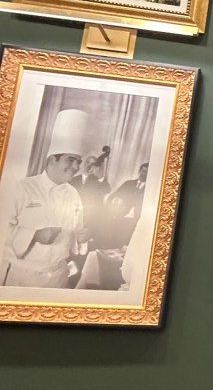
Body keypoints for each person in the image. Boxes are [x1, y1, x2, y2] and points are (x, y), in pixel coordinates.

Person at [0, 109, 90, 289]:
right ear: (51, 160)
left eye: (79, 161)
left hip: (57, 278)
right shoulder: (23, 188)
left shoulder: (74, 194)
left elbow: (76, 232)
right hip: (22, 277)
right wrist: (34, 235)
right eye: (70, 160)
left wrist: (82, 238)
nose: (76, 167)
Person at [103, 162, 148, 249]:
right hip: (120, 219)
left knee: (127, 247)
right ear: (139, 171)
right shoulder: (128, 184)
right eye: (143, 171)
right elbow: (111, 198)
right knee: (112, 244)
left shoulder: (150, 189)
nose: (145, 174)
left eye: (147, 172)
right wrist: (115, 207)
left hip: (136, 223)